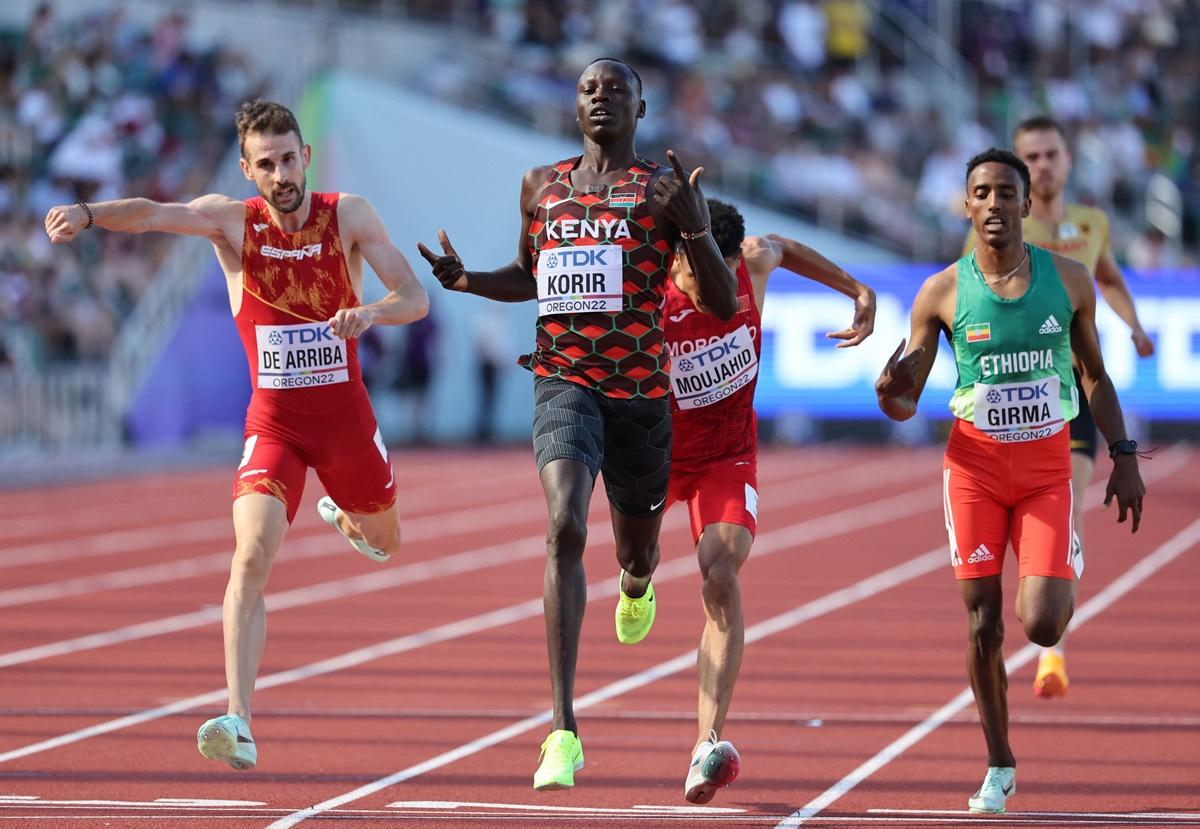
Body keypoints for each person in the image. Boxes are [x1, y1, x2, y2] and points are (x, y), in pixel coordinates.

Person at [43, 100, 430, 771]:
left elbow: (415, 297)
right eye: (267, 163)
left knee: (386, 541)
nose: (282, 173)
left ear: (305, 156)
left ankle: (343, 512)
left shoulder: (350, 216)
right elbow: (153, 212)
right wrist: (89, 214)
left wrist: (368, 313)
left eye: (289, 157)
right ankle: (238, 715)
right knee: (250, 555)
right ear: (249, 172)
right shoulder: (232, 223)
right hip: (273, 423)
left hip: (344, 423)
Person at [418, 57, 738, 791]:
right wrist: (468, 279)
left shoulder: (665, 190)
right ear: (574, 106)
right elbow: (531, 276)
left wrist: (695, 230)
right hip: (563, 382)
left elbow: (720, 301)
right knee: (564, 523)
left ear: (641, 108)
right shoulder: (541, 185)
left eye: (616, 90)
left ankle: (637, 580)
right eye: (589, 89)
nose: (601, 98)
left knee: (637, 550)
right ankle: (561, 728)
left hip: (641, 398)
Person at [876, 148, 1145, 814]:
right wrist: (892, 388)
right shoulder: (941, 291)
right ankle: (999, 761)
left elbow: (1095, 378)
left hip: (1048, 466)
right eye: (981, 193)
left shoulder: (1071, 280)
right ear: (966, 206)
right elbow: (905, 392)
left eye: (1005, 192)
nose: (993, 204)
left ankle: (1064, 554)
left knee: (1044, 625)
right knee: (981, 623)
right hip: (974, 470)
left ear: (1027, 205)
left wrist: (1124, 453)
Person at [665, 198, 876, 803]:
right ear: (683, 254)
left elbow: (784, 245)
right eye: (707, 272)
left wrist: (856, 289)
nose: (720, 285)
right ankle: (635, 579)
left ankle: (706, 743)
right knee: (636, 568)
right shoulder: (652, 288)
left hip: (727, 457)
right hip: (656, 460)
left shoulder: (749, 263)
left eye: (726, 268)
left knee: (720, 576)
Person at [963, 116, 1155, 699]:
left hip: (1067, 398)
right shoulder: (999, 220)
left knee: (1065, 506)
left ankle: (1053, 650)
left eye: (1051, 155)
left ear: (1067, 162)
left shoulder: (1091, 224)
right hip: (1007, 401)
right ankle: (1041, 600)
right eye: (1033, 156)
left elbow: (1111, 279)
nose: (1043, 165)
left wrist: (1136, 327)